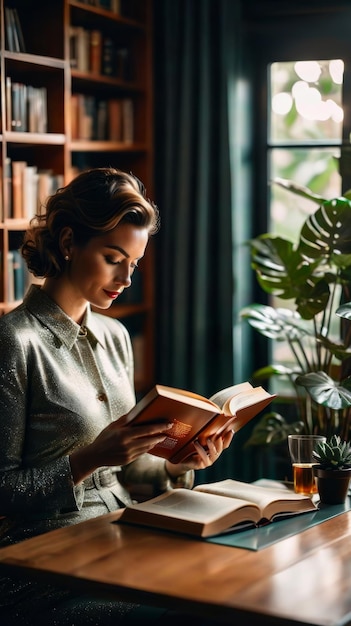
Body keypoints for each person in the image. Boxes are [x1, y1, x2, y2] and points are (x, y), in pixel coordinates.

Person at [0, 167, 234, 625]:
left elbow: (127, 470)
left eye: (135, 263)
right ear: (68, 244)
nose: (127, 278)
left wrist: (174, 463)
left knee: (232, 590)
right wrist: (88, 459)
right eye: (113, 257)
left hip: (122, 539)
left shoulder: (116, 336)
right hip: (43, 569)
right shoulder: (14, 342)